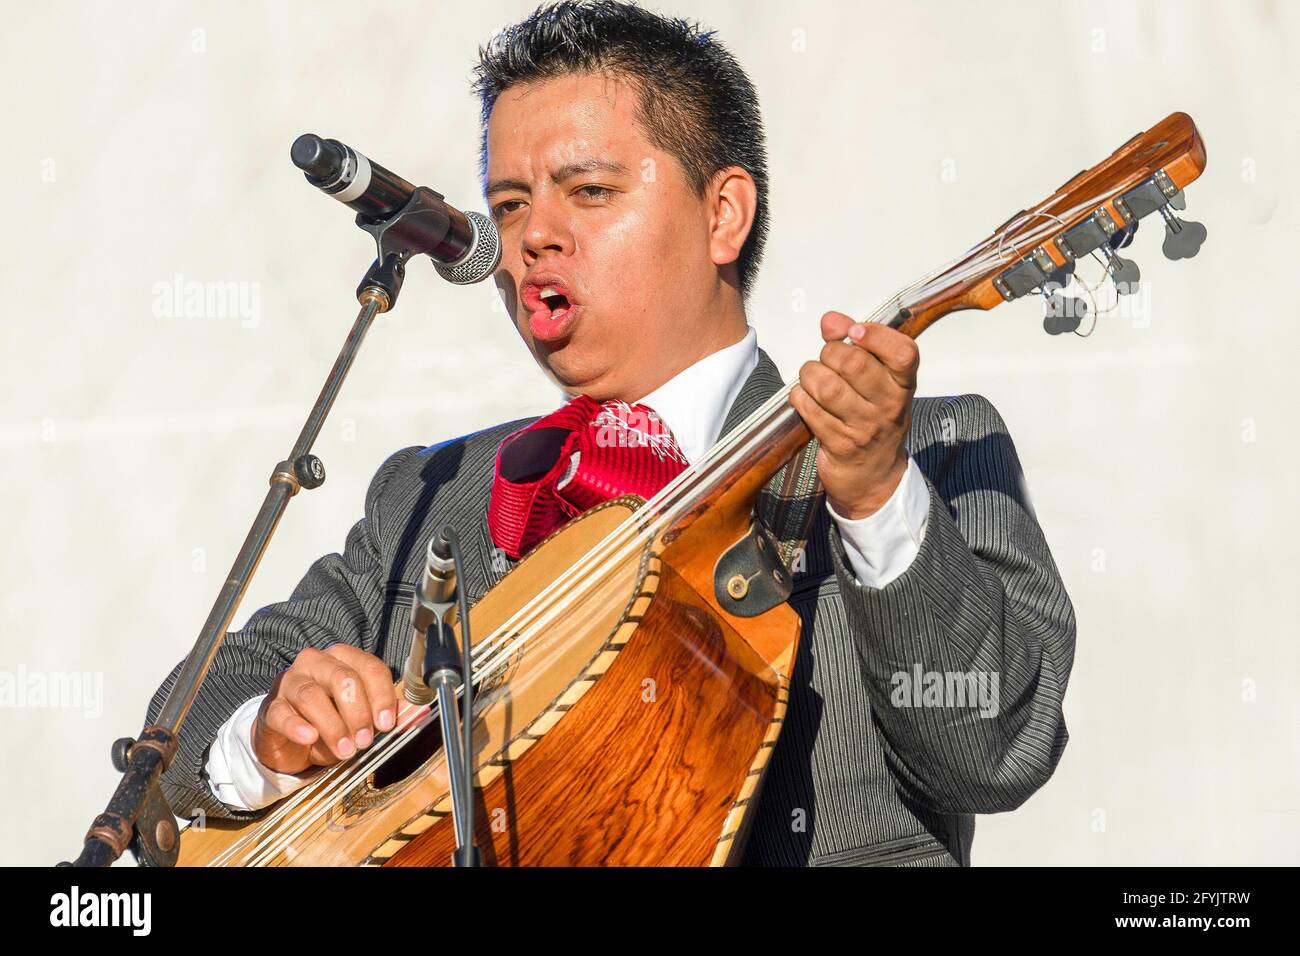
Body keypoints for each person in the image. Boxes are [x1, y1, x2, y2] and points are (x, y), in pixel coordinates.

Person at [148, 0, 1076, 866]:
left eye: (587, 191)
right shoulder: (434, 491)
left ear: (724, 215)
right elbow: (180, 718)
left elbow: (997, 750)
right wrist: (269, 731)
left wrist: (875, 498)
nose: (531, 237)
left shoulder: (929, 453)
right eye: (508, 204)